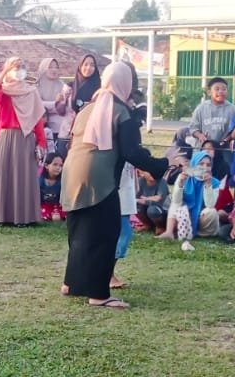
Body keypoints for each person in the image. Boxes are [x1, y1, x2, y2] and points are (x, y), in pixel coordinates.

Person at [61, 60, 168, 307]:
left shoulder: (88, 107)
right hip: (99, 178)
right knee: (105, 233)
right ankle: (99, 294)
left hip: (72, 172)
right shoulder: (121, 111)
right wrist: (162, 164)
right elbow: (132, 152)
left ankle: (71, 284)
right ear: (125, 83)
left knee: (79, 231)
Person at [0, 58, 46, 226]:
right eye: (15, 68)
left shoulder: (31, 91)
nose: (19, 71)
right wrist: (4, 72)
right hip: (6, 137)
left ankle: (23, 217)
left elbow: (37, 119)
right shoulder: (3, 90)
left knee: (23, 177)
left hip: (25, 137)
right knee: (0, 176)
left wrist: (41, 141)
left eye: (22, 67)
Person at [162, 150, 225, 251]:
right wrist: (180, 184)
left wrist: (208, 185)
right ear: (194, 165)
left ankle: (200, 233)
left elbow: (210, 204)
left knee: (211, 212)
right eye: (201, 164)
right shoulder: (184, 177)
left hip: (203, 220)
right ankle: (169, 232)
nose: (205, 167)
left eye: (208, 165)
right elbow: (176, 200)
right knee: (176, 204)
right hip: (186, 217)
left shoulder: (215, 182)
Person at [189, 77, 234, 145]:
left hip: (224, 146)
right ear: (209, 92)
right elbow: (193, 128)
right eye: (217, 89)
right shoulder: (201, 108)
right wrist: (200, 136)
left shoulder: (232, 109)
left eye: (224, 89)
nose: (221, 91)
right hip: (205, 145)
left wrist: (227, 140)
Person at [39, 153, 65, 222]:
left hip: (56, 207)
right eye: (55, 164)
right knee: (40, 215)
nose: (58, 168)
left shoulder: (62, 181)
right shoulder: (40, 181)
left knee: (56, 218)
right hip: (44, 206)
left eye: (61, 165)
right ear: (46, 165)